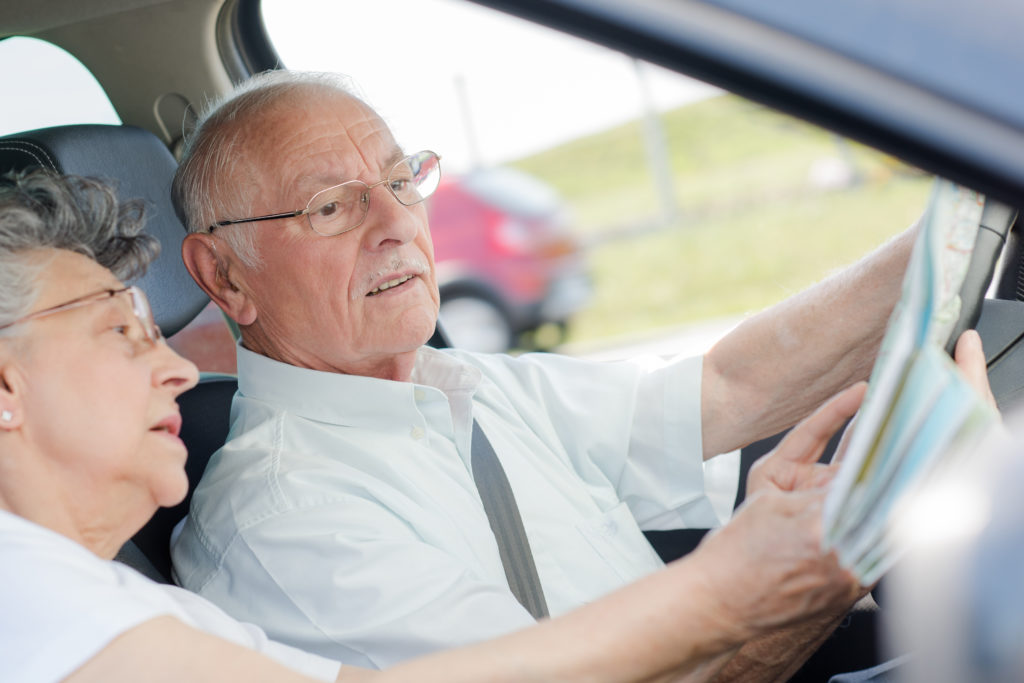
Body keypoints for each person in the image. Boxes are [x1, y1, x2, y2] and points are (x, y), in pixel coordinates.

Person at [168, 69, 934, 673]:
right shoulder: (287, 521)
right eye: (333, 206)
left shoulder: (470, 386)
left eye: (402, 183)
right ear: (227, 276)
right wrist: (805, 578)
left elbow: (727, 388)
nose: (398, 223)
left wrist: (946, 243)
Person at [0, 168, 872, 683]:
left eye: (402, 179)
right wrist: (736, 588)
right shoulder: (23, 591)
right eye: (121, 331)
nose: (184, 369)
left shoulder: (110, 595)